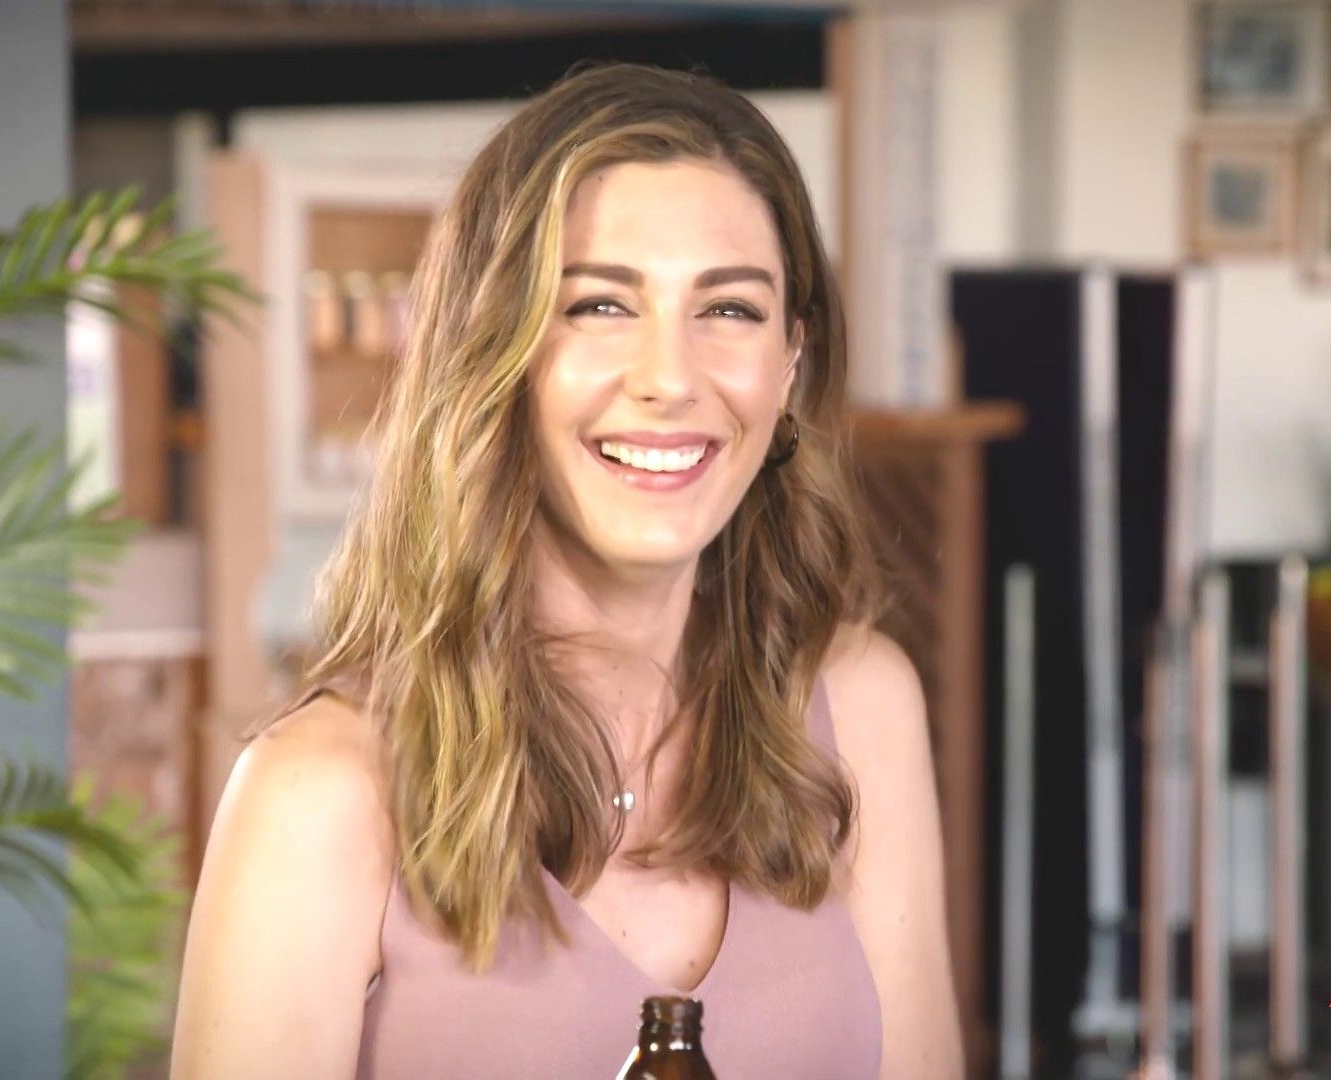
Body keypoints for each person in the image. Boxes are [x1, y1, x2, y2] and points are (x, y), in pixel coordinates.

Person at [169, 60, 962, 1079]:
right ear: (492, 353)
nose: (669, 378)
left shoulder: (861, 708)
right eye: (598, 306)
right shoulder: (318, 795)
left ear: (790, 363)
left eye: (729, 310)